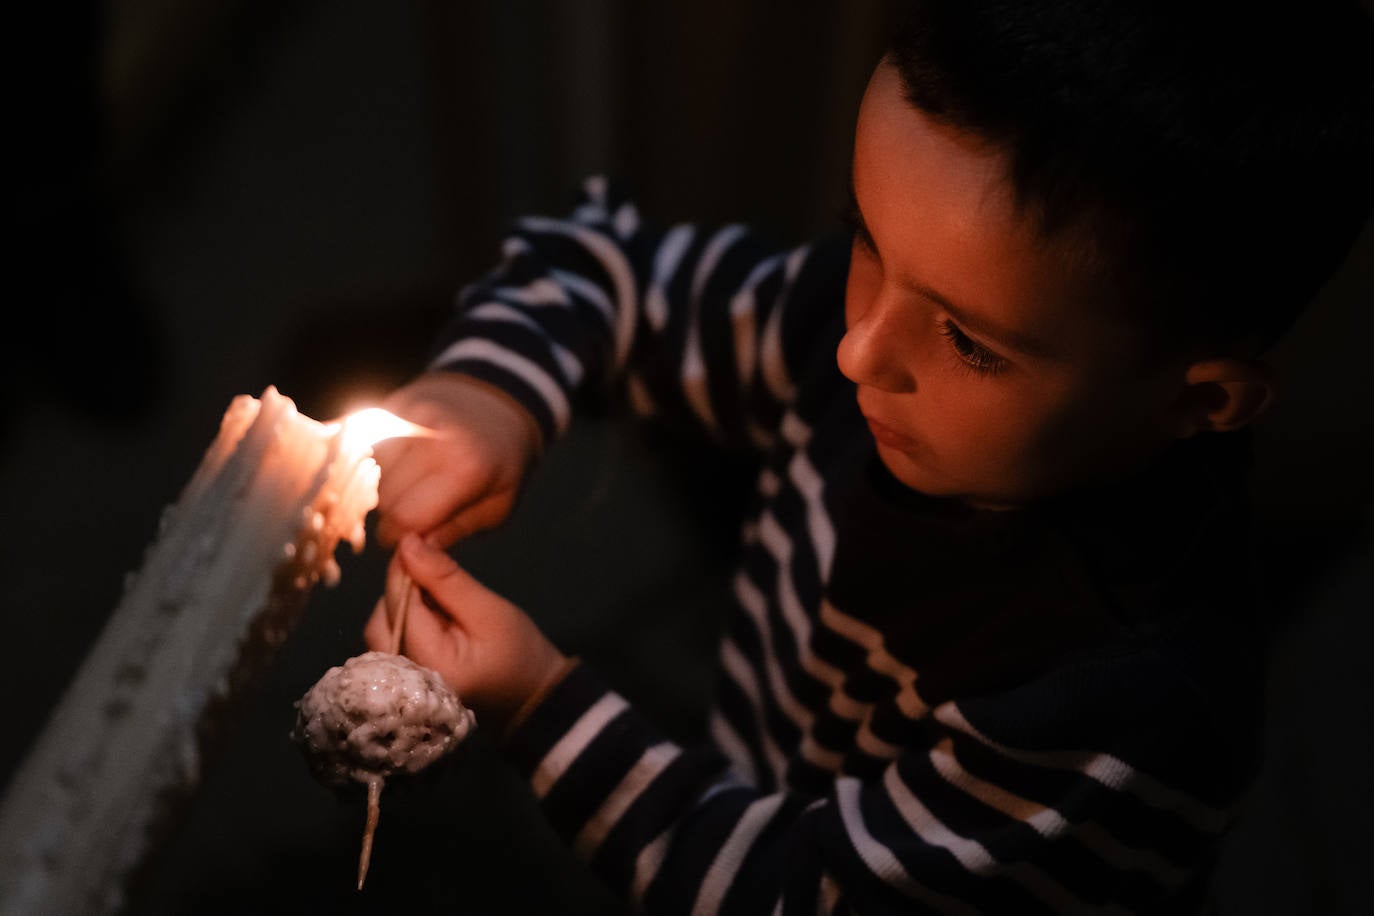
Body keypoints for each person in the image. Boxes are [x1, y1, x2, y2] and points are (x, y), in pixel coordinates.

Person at [364, 1, 1374, 911]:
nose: (858, 352)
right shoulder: (877, 336)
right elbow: (603, 275)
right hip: (755, 763)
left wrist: (540, 704)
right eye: (864, 238)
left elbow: (803, 891)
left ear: (1195, 399)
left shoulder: (1121, 718)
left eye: (971, 343)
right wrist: (487, 395)